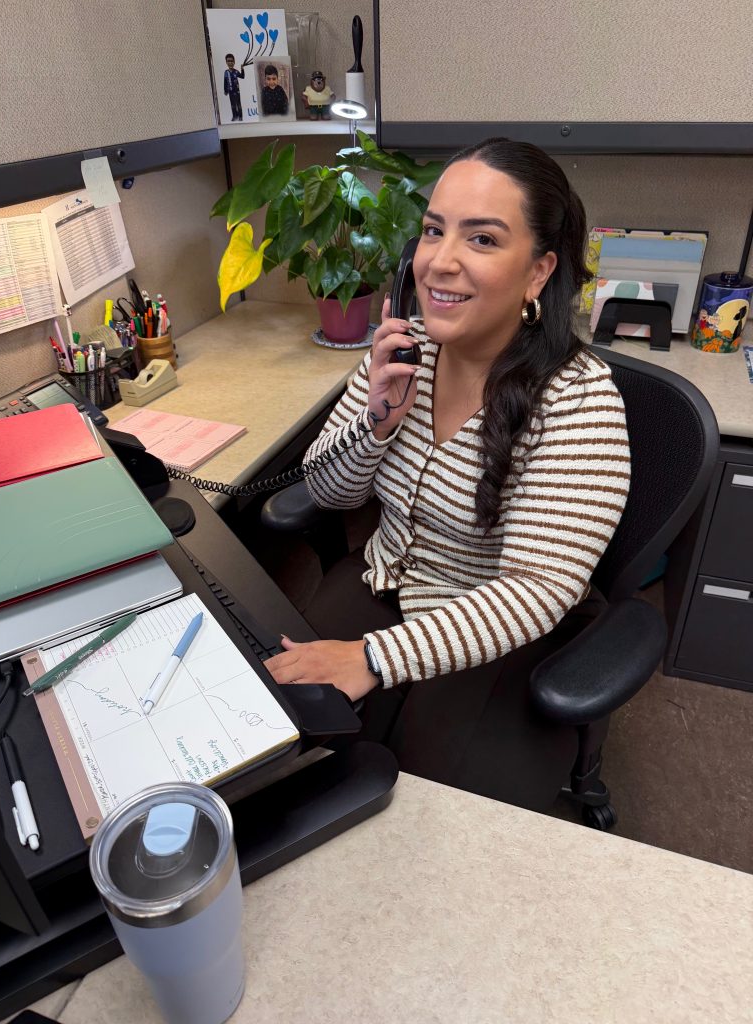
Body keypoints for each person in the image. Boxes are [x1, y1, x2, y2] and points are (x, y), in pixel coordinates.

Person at [266, 137, 631, 801]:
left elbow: (537, 588)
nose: (441, 261)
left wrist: (375, 658)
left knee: (425, 809)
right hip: (386, 581)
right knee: (285, 746)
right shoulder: (406, 351)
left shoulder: (579, 399)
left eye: (483, 240)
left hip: (501, 624)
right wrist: (377, 421)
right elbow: (325, 489)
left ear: (539, 272)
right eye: (434, 231)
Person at [223, 54, 244, 122]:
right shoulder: (226, 72)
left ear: (234, 62)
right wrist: (225, 90)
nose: (230, 63)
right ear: (226, 62)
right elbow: (225, 82)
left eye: (232, 61)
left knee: (238, 104)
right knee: (233, 105)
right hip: (230, 91)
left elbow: (242, 76)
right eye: (228, 61)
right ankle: (235, 116)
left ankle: (240, 116)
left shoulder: (236, 71)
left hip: (237, 91)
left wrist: (242, 69)